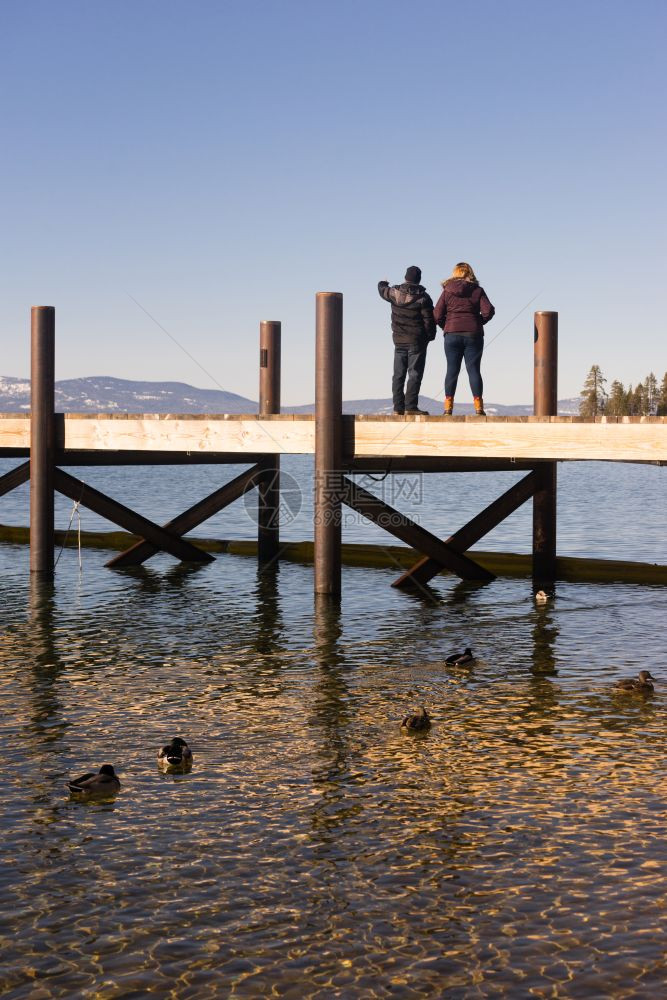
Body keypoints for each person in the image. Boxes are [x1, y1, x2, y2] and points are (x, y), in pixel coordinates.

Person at [433, 262, 495, 415]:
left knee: (451, 370)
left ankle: (448, 408)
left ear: (455, 274)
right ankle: (479, 407)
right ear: (470, 273)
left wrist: (446, 326)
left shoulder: (447, 291)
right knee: (474, 370)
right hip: (473, 335)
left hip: (451, 334)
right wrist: (477, 322)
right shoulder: (478, 290)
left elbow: (436, 314)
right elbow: (488, 311)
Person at [378, 266, 436, 415]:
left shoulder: (394, 293)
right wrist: (430, 336)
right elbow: (429, 320)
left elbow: (382, 290)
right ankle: (410, 407)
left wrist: (383, 283)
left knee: (398, 374)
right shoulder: (424, 298)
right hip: (416, 341)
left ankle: (398, 408)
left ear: (405, 277)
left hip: (398, 340)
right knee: (414, 374)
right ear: (419, 279)